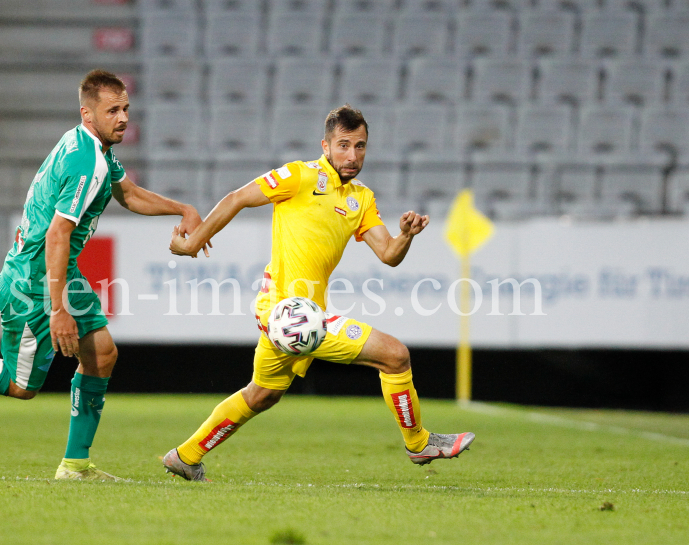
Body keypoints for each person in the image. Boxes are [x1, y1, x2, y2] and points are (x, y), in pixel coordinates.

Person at [0, 70, 206, 481]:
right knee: (19, 385)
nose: (122, 118)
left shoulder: (86, 145)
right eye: (112, 110)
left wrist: (182, 209)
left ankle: (76, 464)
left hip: (53, 273)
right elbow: (58, 234)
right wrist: (59, 308)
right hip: (34, 280)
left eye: (126, 109)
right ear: (88, 112)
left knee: (101, 354)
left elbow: (129, 193)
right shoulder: (87, 161)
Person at [163, 105, 475, 481]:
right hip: (286, 312)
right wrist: (194, 241)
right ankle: (418, 443)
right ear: (325, 145)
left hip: (301, 313)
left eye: (360, 147)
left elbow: (389, 254)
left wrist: (405, 235)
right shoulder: (298, 175)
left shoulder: (361, 198)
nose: (352, 156)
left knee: (262, 394)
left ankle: (185, 456)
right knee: (395, 356)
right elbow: (236, 198)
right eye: (343, 145)